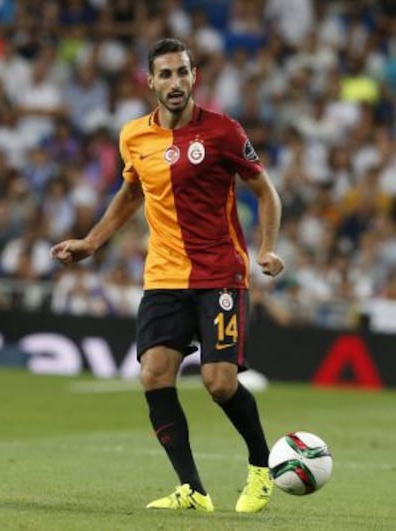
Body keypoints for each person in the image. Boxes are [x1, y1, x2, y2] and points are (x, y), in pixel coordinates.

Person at [51, 38, 285, 513]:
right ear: (151, 81)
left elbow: (266, 192)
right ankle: (193, 490)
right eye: (166, 75)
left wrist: (267, 247)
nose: (175, 83)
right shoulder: (134, 136)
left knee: (219, 384)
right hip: (162, 276)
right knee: (154, 374)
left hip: (219, 273)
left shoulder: (222, 132)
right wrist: (92, 242)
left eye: (182, 73)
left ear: (194, 76)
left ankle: (261, 467)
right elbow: (131, 194)